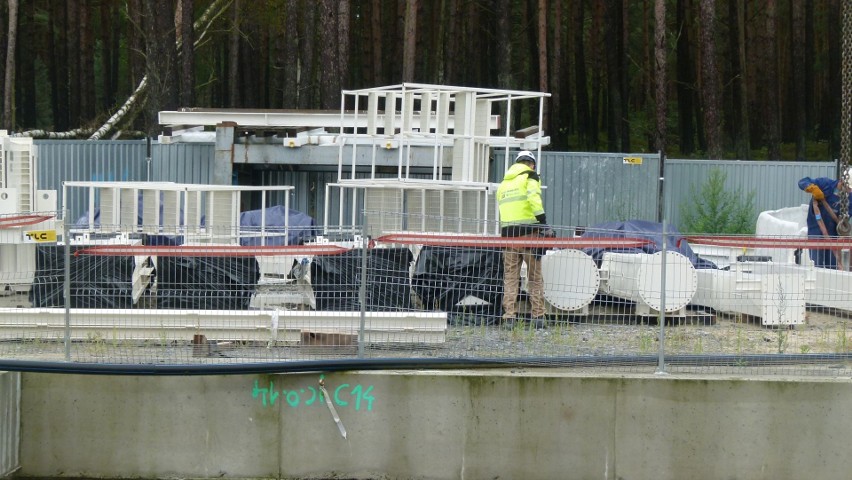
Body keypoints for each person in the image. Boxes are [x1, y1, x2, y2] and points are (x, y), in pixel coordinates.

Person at [496, 150, 554, 329]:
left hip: (508, 237)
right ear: (532, 164)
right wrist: (544, 223)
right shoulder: (530, 176)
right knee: (535, 277)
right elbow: (534, 199)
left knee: (511, 277)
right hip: (530, 235)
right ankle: (538, 317)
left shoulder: (504, 184)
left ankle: (509, 317)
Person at [798, 174, 852, 269]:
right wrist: (812, 188)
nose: (849, 191)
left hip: (834, 232)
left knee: (832, 266)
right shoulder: (825, 184)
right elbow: (802, 181)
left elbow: (847, 216)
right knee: (816, 263)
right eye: (848, 188)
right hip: (815, 229)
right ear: (842, 182)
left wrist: (842, 224)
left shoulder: (850, 197)